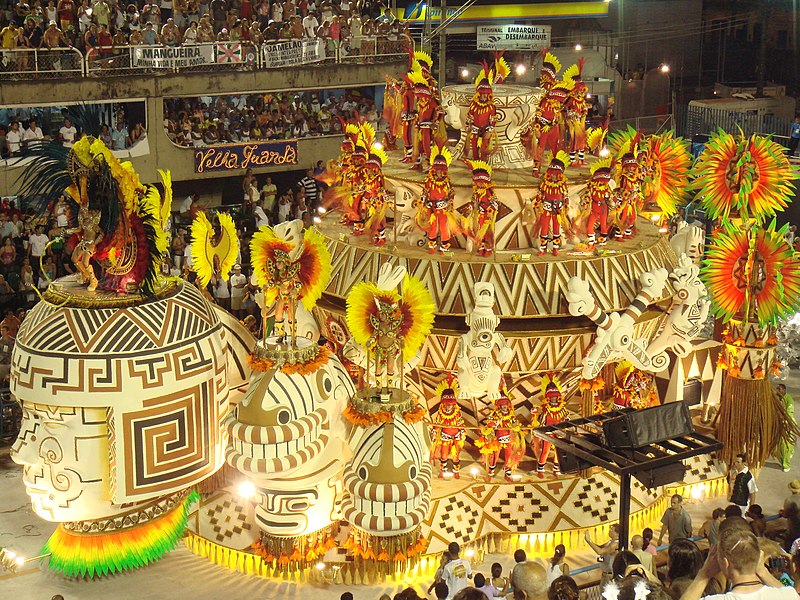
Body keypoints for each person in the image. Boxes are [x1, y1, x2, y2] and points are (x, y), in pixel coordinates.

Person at [680, 527, 798, 600]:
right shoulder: (788, 594)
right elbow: (787, 593)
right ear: (758, 558)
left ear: (726, 563)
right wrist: (762, 571)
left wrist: (703, 575)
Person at [776, 384, 796, 472]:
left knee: (785, 445)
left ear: (784, 390)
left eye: (779, 389)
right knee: (779, 445)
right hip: (779, 424)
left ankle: (786, 464)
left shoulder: (789, 399)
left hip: (787, 424)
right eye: (777, 388)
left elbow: (789, 411)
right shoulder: (776, 398)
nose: (777, 390)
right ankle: (784, 458)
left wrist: (786, 421)